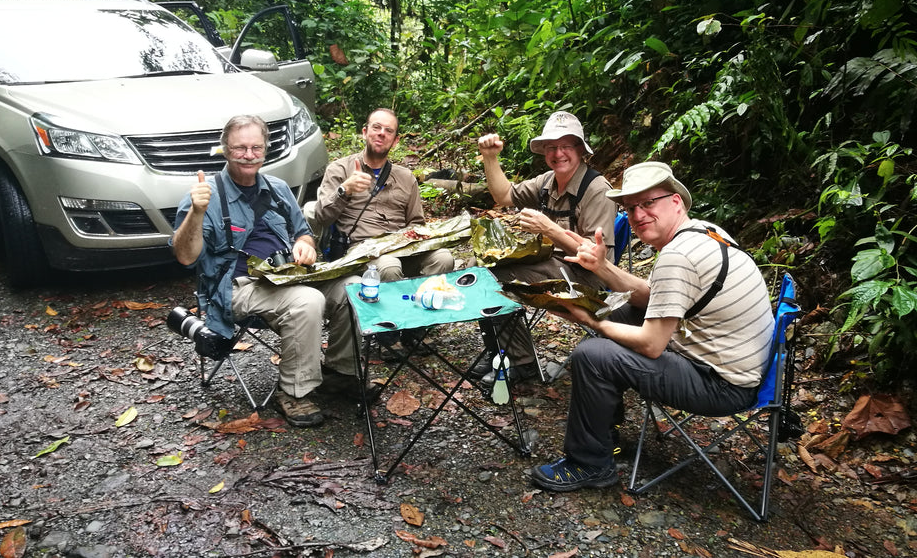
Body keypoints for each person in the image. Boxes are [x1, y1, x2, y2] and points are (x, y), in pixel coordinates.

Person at [529, 162, 775, 491]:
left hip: (723, 385)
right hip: (738, 364)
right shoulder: (704, 231)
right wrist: (601, 267)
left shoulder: (678, 257)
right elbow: (650, 297)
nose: (638, 215)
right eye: (630, 208)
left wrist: (589, 320)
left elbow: (651, 345)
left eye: (648, 203)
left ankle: (590, 463)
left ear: (676, 202)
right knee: (615, 314)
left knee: (591, 355)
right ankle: (603, 435)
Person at [171, 115, 327, 428]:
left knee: (351, 288)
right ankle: (294, 393)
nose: (249, 154)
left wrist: (305, 245)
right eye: (240, 147)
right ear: (224, 150)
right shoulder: (206, 195)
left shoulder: (279, 189)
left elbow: (303, 232)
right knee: (307, 301)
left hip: (289, 277)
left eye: (256, 147)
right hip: (235, 288)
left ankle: (342, 372)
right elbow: (185, 256)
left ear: (265, 150)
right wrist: (197, 213)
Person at [307, 108, 455, 380]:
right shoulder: (340, 169)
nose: (381, 134)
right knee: (388, 266)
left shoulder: (405, 177)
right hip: (362, 248)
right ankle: (387, 333)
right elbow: (321, 217)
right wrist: (345, 190)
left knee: (444, 258)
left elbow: (417, 221)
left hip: (401, 245)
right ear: (364, 132)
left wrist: (413, 235)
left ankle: (416, 328)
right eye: (376, 128)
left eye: (388, 131)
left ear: (395, 141)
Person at [473, 111, 616, 384]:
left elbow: (599, 258)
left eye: (566, 146)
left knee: (495, 279)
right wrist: (490, 158)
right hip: (552, 266)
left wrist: (549, 229)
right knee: (478, 269)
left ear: (580, 150)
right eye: (551, 146)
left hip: (586, 279)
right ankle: (498, 350)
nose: (558, 153)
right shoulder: (546, 182)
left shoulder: (597, 189)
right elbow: (503, 196)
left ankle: (520, 361)